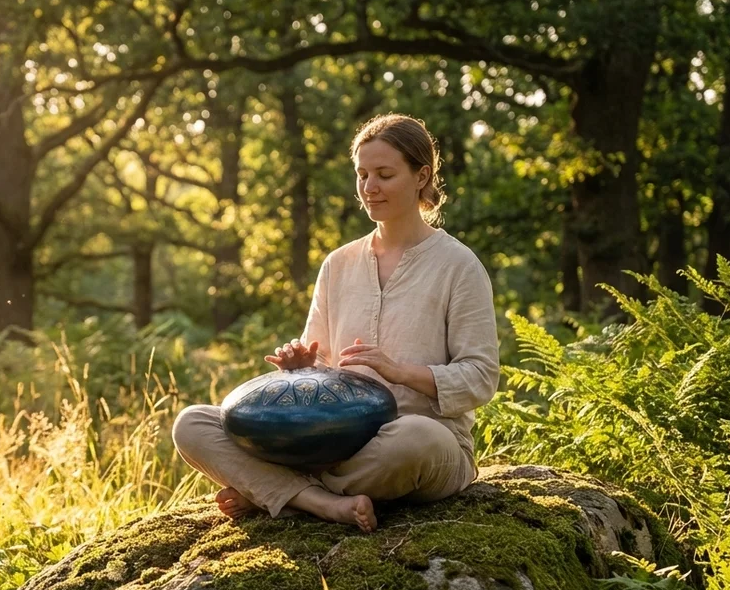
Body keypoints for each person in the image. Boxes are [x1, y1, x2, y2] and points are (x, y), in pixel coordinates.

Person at [171, 113, 500, 533]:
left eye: (384, 174)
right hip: (330, 442)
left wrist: (400, 372)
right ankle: (321, 502)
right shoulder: (338, 264)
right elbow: (322, 370)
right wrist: (301, 369)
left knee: (416, 437)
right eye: (362, 174)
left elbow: (481, 377)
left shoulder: (459, 266)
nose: (369, 188)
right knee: (193, 424)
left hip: (419, 445)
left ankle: (276, 493)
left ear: (421, 176)